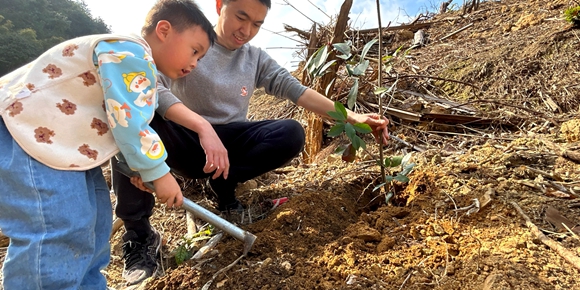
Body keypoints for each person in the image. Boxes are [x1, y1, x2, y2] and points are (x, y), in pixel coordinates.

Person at [111, 0, 390, 285]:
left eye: (257, 24)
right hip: (182, 138)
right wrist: (201, 126)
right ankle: (139, 234)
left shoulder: (253, 58)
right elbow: (150, 87)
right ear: (221, 6)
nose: (246, 30)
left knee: (291, 133)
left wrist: (352, 117)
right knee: (130, 114)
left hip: (229, 143)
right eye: (241, 17)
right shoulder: (189, 41)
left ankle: (223, 185)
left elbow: (297, 90)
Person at [0, 0, 215, 289]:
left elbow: (115, 126)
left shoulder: (136, 68)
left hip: (63, 149)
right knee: (58, 227)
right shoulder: (130, 53)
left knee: (96, 222)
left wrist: (136, 169)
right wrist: (158, 172)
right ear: (164, 30)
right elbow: (129, 122)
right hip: (25, 135)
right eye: (194, 50)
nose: (194, 64)